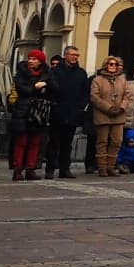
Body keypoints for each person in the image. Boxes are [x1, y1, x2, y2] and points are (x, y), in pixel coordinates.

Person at [47, 44, 90, 180]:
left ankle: (64, 168)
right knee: (54, 142)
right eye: (72, 55)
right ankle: (50, 169)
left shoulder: (81, 73)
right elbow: (51, 89)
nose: (75, 57)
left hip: (73, 112)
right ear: (66, 55)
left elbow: (85, 92)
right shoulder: (55, 71)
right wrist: (55, 103)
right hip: (58, 111)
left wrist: (81, 106)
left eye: (77, 55)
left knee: (67, 143)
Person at [11, 49, 54, 180]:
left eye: (34, 59)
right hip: (23, 111)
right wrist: (36, 88)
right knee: (21, 142)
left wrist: (46, 84)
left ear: (40, 61)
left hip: (38, 111)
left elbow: (55, 88)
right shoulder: (21, 73)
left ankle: (31, 168)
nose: (31, 61)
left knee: (35, 142)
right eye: (29, 58)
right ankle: (17, 169)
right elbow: (21, 89)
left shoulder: (47, 74)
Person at [88, 55, 129, 177]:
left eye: (115, 64)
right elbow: (94, 97)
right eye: (111, 64)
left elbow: (127, 96)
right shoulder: (97, 80)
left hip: (118, 115)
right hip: (103, 115)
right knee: (102, 141)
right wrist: (108, 108)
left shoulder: (122, 80)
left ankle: (111, 167)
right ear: (106, 65)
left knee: (117, 141)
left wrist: (122, 107)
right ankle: (102, 168)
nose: (113, 67)